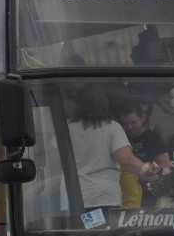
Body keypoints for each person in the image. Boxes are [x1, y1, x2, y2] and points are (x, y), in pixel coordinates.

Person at [66, 84, 154, 213]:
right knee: (98, 226)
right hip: (102, 198)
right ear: (103, 104)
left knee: (82, 226)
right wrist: (151, 176)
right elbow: (126, 160)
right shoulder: (112, 127)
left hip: (73, 197)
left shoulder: (66, 128)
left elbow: (53, 150)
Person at [115, 101, 171, 207]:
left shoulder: (153, 138)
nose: (129, 127)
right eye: (125, 124)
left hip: (148, 195)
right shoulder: (117, 138)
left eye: (133, 122)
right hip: (120, 194)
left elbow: (165, 165)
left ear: (142, 119)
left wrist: (145, 176)